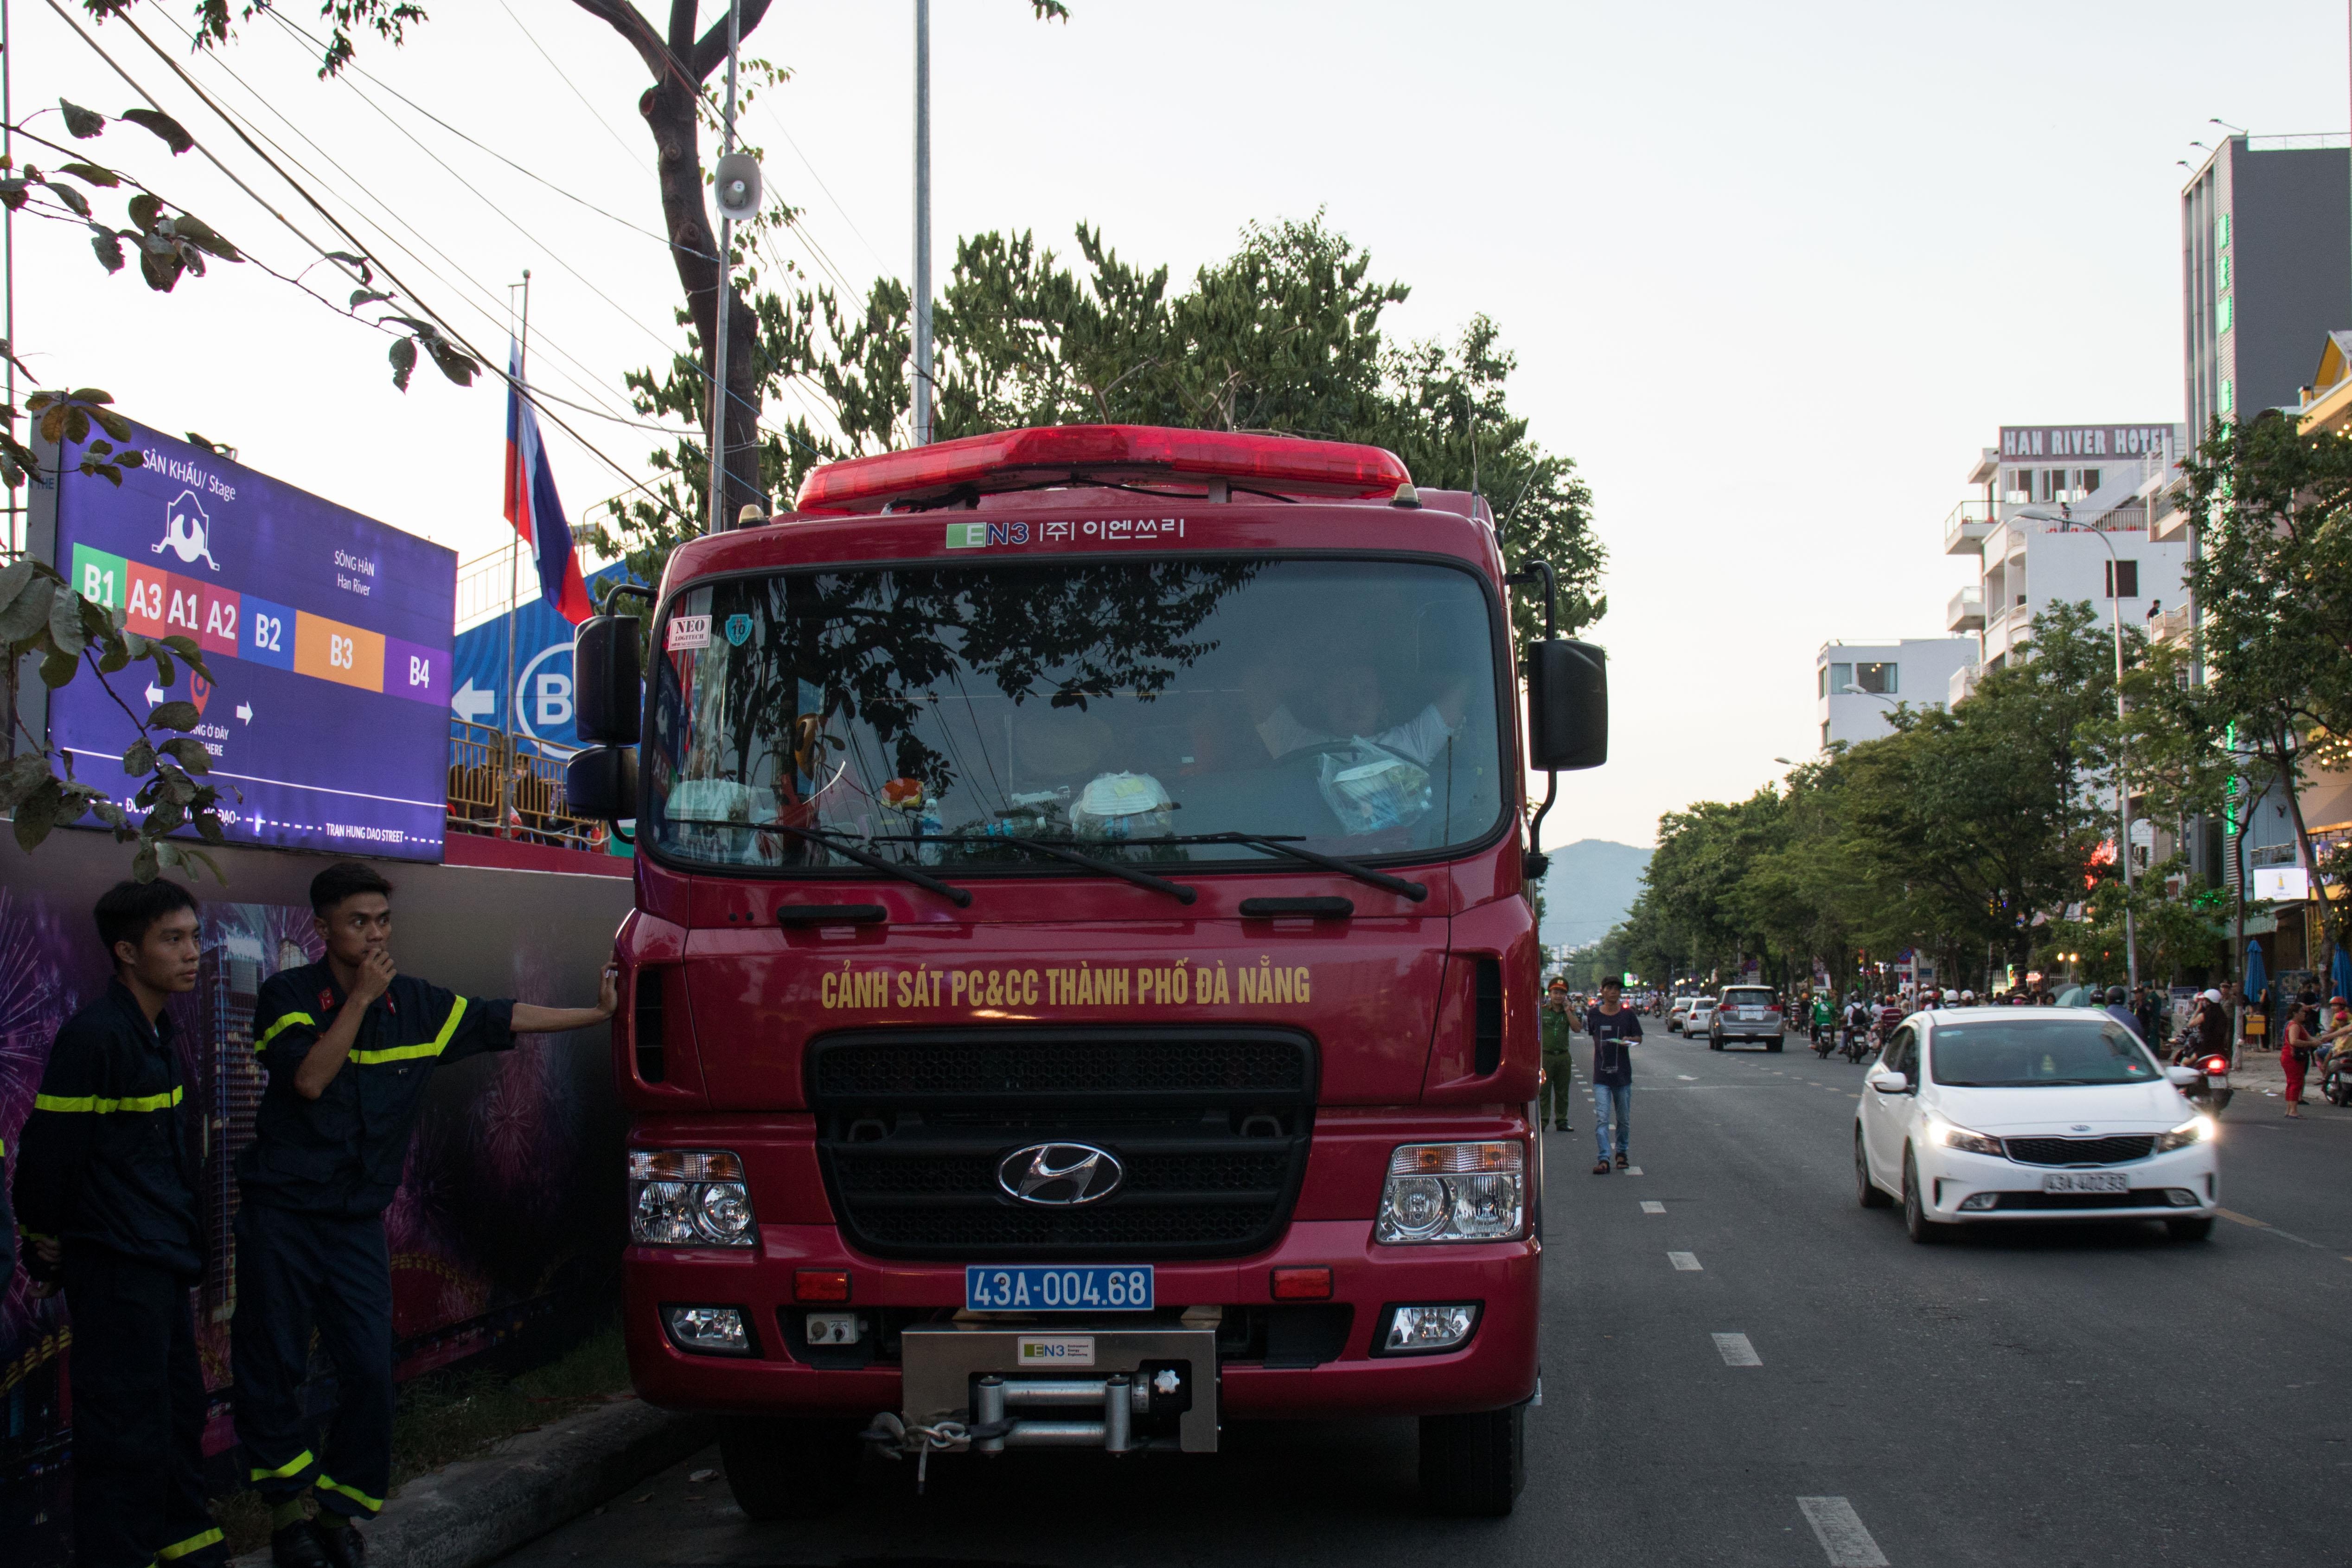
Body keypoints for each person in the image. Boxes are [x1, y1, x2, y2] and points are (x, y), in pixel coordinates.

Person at [233, 862, 618, 1568]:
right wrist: (358, 1002)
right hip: (283, 1215)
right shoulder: (289, 995)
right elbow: (311, 1079)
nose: (376, 933)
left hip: (353, 1222)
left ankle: (340, 1513)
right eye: (359, 921)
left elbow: (501, 1016)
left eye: (383, 919)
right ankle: (288, 1516)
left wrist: (595, 1014)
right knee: (274, 1363)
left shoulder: (414, 1004)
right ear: (323, 929)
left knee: (371, 1369)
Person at [11, 880, 228, 1568]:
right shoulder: (96, 1038)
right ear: (127, 951)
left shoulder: (159, 1029)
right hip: (116, 1270)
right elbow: (46, 1163)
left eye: (195, 935)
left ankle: (188, 1548)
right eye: (174, 939)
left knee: (176, 1418)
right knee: (123, 1434)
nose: (193, 952)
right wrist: (46, 1249)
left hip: (160, 1267)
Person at [1585, 975, 1641, 1173]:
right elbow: (1592, 1035)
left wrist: (1629, 1040)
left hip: (1623, 1076)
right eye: (1609, 988)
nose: (1613, 992)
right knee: (1602, 1119)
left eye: (1617, 989)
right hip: (1601, 1076)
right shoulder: (1593, 1014)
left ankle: (1622, 1153)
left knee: (1623, 1119)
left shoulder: (1628, 1015)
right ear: (1602, 991)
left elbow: (1638, 1038)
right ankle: (1603, 1158)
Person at [1539, 977, 1575, 1133]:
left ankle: (1562, 1121)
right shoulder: (1543, 1011)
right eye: (1555, 992)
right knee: (1544, 1091)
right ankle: (1542, 1121)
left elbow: (1578, 1028)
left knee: (1562, 1091)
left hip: (1563, 1056)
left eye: (1562, 993)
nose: (1558, 996)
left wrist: (1568, 1011)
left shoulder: (1569, 1013)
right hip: (1545, 1057)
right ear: (1550, 994)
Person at [2282, 1002, 2321, 1118]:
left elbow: (2310, 1037)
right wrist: (2311, 1043)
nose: (2305, 1014)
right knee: (2295, 1082)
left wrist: (2319, 1041)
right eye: (2302, 1012)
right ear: (2295, 1013)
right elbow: (2294, 1041)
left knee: (2292, 1082)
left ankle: (2289, 1109)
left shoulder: (2299, 1026)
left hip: (2291, 1056)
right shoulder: (2294, 1026)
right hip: (2293, 1057)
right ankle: (2293, 1110)